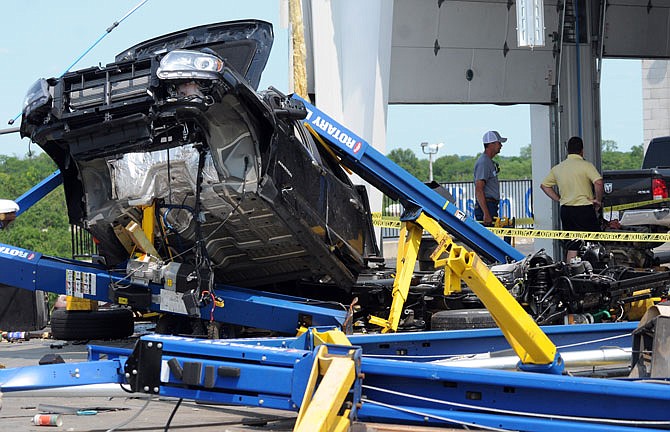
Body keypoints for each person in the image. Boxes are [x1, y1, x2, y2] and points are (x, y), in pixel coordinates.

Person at [540, 136, 604, 262]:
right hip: (584, 210)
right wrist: (598, 200)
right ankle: (595, 272)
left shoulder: (558, 168)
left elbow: (544, 186)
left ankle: (571, 273)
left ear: (567, 150)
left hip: (566, 211)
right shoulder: (586, 166)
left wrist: (559, 199)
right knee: (594, 243)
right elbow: (599, 182)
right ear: (582, 150)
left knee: (572, 245)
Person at [474, 130, 505, 226]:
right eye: (499, 143)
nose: (501, 145)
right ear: (491, 144)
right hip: (487, 206)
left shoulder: (487, 162)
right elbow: (479, 189)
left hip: (490, 205)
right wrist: (486, 214)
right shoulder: (484, 162)